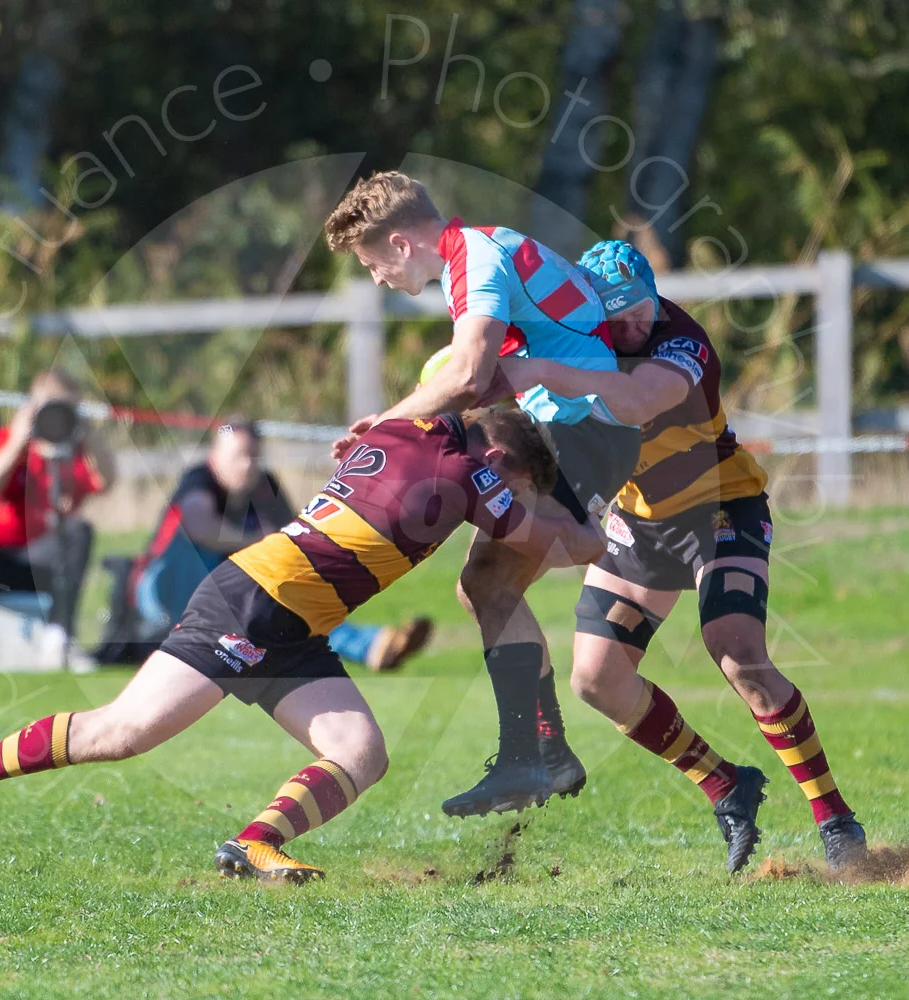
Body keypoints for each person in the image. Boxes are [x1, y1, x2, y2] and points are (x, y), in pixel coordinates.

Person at [0, 409, 595, 882]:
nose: (511, 501)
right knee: (119, 732)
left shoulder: (404, 428)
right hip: (254, 600)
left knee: (361, 751)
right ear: (497, 456)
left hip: (295, 620)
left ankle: (254, 844)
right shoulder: (469, 471)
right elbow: (546, 543)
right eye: (519, 486)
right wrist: (613, 536)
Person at [498, 239, 868, 872]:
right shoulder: (583, 340)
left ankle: (836, 821)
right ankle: (727, 786)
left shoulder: (680, 341)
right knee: (596, 679)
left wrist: (542, 372)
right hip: (640, 522)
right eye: (617, 317)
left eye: (640, 309)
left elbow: (637, 400)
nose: (632, 325)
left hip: (721, 506)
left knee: (738, 653)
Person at [324, 171, 638, 817]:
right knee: (486, 586)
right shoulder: (476, 255)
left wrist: (386, 427)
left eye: (372, 262)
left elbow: (469, 375)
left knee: (489, 584)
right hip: (574, 432)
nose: (377, 278)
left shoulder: (478, 258)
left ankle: (536, 758)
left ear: (403, 243)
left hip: (583, 434)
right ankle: (543, 757)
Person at [116, 417, 434, 672]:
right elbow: (200, 525)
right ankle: (366, 645)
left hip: (227, 592)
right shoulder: (199, 479)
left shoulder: (264, 486)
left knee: (288, 596)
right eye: (238, 457)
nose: (247, 465)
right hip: (159, 588)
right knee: (206, 554)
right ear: (214, 458)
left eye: (253, 456)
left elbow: (295, 539)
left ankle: (373, 645)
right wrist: (256, 540)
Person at [0, 370, 114, 672]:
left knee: (80, 530)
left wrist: (88, 433)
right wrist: (18, 443)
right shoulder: (5, 441)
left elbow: (106, 481)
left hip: (41, 561)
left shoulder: (75, 454)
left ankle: (59, 636)